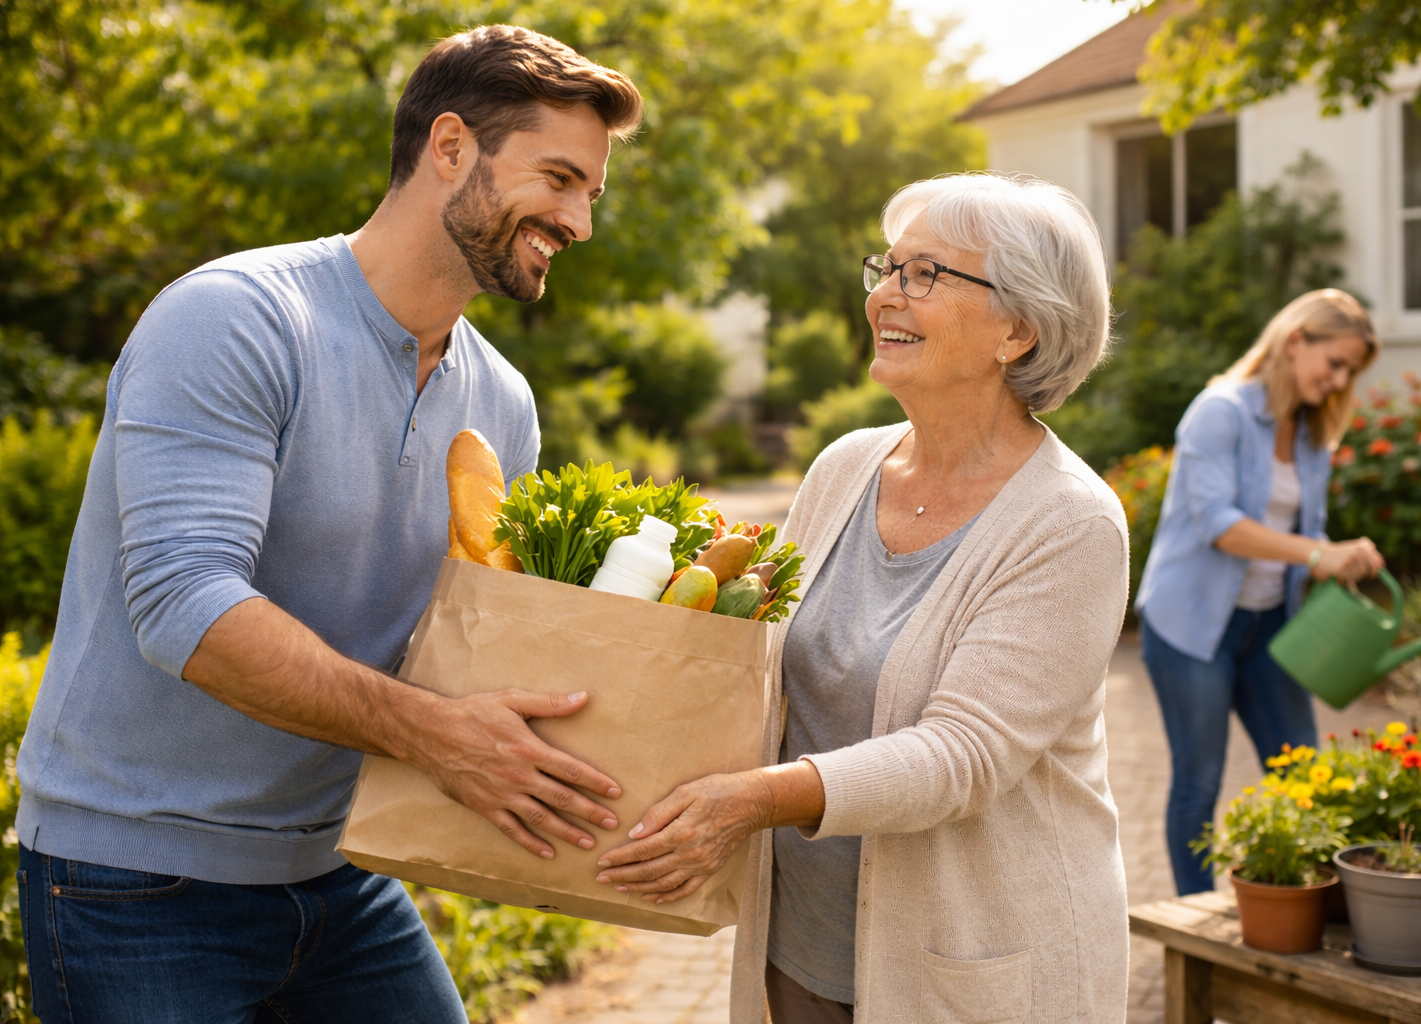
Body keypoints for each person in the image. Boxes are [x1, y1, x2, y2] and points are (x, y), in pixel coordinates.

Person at [16, 26, 643, 1023]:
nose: (579, 220)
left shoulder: (503, 403)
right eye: (560, 178)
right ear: (449, 149)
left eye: (590, 194)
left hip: (334, 871)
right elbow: (187, 607)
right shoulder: (236, 318)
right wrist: (442, 737)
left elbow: (474, 646)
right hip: (138, 879)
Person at [595, 174, 1131, 1023]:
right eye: (889, 266)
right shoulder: (845, 467)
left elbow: (964, 755)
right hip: (800, 954)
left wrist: (749, 801)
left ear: (1017, 331)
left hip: (973, 970)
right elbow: (762, 658)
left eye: (928, 274)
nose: (886, 293)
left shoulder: (1070, 523)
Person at [1135, 289, 1385, 896]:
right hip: (1193, 628)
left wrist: (1335, 557)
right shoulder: (1220, 411)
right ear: (1296, 340)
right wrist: (1319, 554)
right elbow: (1220, 526)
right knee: (1200, 779)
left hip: (1272, 624)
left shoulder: (1309, 431)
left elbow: (1304, 530)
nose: (1340, 379)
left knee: (1304, 774)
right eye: (1336, 362)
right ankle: (1195, 922)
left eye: (1350, 370)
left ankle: (1305, 905)